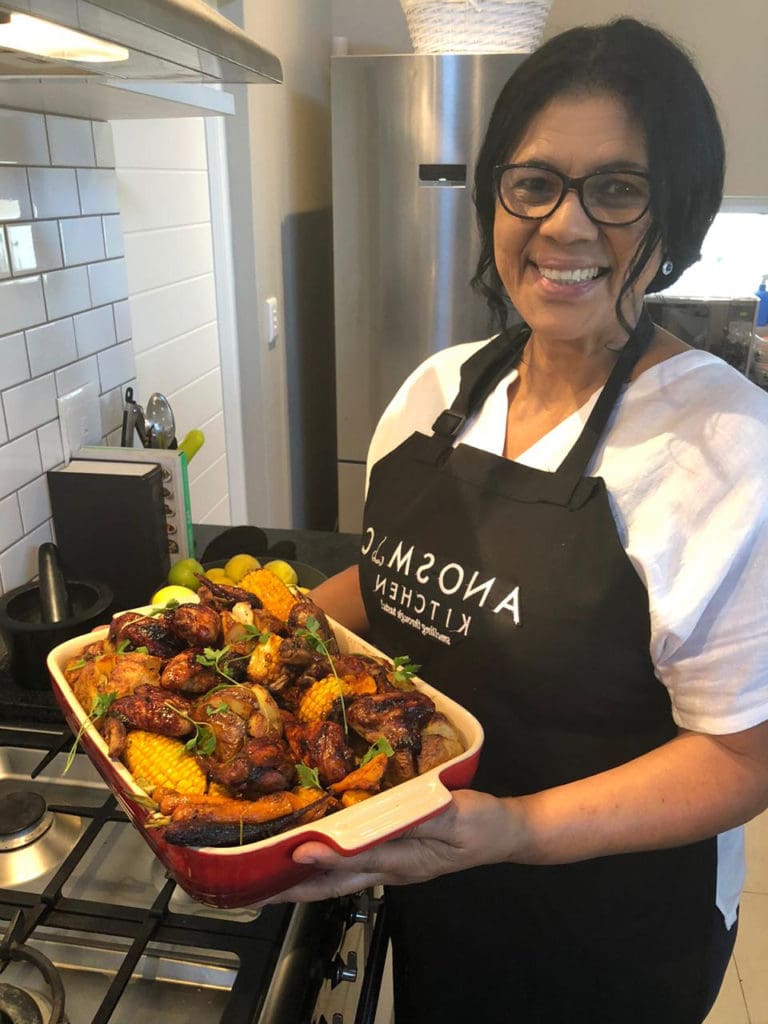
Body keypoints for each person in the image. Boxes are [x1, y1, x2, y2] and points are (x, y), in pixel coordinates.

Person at [266, 18, 768, 1023]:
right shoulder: (433, 391)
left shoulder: (727, 446)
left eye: (616, 189)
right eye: (533, 181)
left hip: (615, 927)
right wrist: (263, 626)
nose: (566, 225)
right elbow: (393, 583)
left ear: (675, 210)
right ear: (496, 193)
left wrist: (518, 829)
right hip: (437, 877)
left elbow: (743, 754)